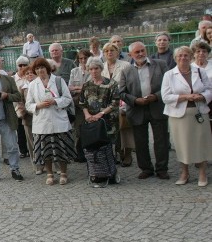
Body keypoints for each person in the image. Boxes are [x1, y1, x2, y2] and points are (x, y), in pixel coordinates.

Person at [161, 46, 212, 187]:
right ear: (175, 58)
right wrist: (185, 97)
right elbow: (165, 97)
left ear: (191, 57)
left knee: (201, 142)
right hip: (179, 115)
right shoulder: (169, 75)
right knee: (182, 144)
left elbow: (209, 89)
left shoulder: (200, 72)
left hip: (199, 112)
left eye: (186, 55)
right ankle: (184, 172)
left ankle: (202, 173)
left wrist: (201, 96)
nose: (183, 58)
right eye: (180, 56)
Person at [119, 41, 170, 179]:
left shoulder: (160, 64)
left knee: (161, 140)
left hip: (157, 106)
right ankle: (146, 168)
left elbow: (169, 86)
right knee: (140, 142)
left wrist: (155, 96)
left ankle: (162, 168)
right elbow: (122, 92)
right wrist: (135, 100)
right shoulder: (126, 70)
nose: (141, 54)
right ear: (130, 55)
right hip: (137, 109)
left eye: (142, 50)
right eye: (137, 52)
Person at [26, 57, 75, 185]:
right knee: (45, 150)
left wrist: (55, 101)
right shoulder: (32, 84)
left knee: (61, 148)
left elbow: (68, 98)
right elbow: (28, 105)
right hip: (42, 122)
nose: (40, 70)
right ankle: (49, 174)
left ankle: (63, 172)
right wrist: (38, 105)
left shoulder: (58, 80)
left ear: (47, 68)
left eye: (42, 67)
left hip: (59, 119)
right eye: (37, 68)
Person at [78, 58, 121, 186]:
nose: (93, 71)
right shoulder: (87, 85)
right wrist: (87, 114)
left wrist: (101, 113)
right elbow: (82, 102)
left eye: (96, 68)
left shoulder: (111, 83)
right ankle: (96, 172)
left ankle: (110, 172)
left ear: (101, 69)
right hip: (91, 122)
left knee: (108, 147)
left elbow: (115, 102)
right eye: (91, 69)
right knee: (94, 148)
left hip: (108, 121)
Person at [69, 49, 92, 161]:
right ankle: (80, 153)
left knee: (90, 128)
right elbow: (70, 87)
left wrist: (78, 88)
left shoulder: (93, 69)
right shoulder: (74, 71)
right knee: (79, 129)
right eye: (81, 58)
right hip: (78, 106)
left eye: (85, 58)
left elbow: (91, 87)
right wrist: (81, 88)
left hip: (90, 105)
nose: (83, 60)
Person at [13, 57, 32, 159]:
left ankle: (31, 149)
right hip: (17, 108)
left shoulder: (29, 77)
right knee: (20, 130)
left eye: (25, 65)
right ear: (17, 66)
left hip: (29, 108)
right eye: (20, 65)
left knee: (30, 130)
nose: (22, 67)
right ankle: (23, 150)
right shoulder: (12, 79)